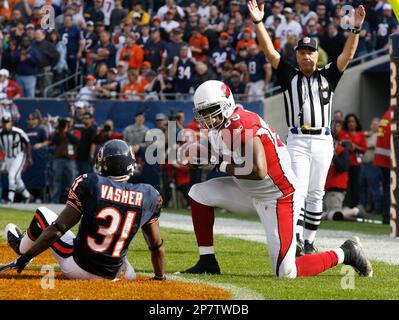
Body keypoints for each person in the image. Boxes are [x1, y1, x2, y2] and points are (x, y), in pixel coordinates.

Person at [181, 79, 372, 279]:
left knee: (286, 271)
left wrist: (215, 164)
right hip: (249, 191)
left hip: (279, 197)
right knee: (198, 193)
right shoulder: (217, 128)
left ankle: (346, 252)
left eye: (210, 110)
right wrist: (188, 155)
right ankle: (207, 261)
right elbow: (210, 150)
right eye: (202, 112)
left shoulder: (242, 123)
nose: (206, 117)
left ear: (226, 105)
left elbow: (258, 170)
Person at [248, 0, 367, 255]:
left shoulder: (328, 74)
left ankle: (309, 241)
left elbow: (348, 55)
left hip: (323, 140)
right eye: (301, 52)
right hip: (298, 139)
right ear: (297, 55)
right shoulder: (289, 75)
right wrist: (258, 22)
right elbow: (270, 52)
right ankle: (298, 239)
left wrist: (355, 30)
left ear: (317, 55)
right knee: (298, 189)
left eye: (309, 52)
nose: (305, 56)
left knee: (316, 193)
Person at [3, 139, 166, 281]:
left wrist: (25, 258)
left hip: (80, 268)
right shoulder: (149, 194)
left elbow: (58, 229)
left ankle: (21, 248)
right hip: (112, 272)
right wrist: (160, 276)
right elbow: (156, 245)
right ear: (131, 163)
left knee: (42, 213)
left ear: (103, 163)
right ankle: (124, 265)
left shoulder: (91, 183)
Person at [338, 114, 367, 210]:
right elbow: (337, 145)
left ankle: (354, 207)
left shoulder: (360, 134)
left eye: (353, 121)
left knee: (355, 185)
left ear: (356, 123)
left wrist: (355, 147)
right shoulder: (342, 133)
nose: (351, 123)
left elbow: (364, 149)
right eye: (349, 121)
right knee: (346, 185)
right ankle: (345, 206)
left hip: (356, 164)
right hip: (344, 164)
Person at [0, 115, 33, 203]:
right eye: (4, 123)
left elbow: (28, 143)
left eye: (7, 123)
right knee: (17, 179)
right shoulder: (0, 134)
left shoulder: (18, 132)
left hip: (19, 155)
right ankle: (28, 196)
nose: (6, 125)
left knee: (11, 175)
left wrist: (29, 157)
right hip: (8, 157)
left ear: (11, 123)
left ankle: (10, 198)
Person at [373, 108, 391, 224]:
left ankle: (386, 217)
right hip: (390, 160)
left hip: (382, 159)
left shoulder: (387, 114)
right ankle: (388, 217)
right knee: (390, 190)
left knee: (386, 189)